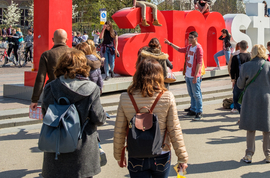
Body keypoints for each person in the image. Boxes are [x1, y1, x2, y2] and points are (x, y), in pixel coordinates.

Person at [113, 58, 188, 177]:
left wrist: (119, 155)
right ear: (159, 75)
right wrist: (182, 157)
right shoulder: (167, 97)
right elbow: (174, 129)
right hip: (161, 152)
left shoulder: (126, 97)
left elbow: (119, 130)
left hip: (136, 153)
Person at [41, 49, 106, 178]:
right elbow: (98, 118)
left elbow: (46, 113)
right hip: (83, 150)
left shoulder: (50, 87)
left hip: (57, 147)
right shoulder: (91, 88)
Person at [237, 44, 270, 164]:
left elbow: (240, 85)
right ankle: (268, 154)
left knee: (250, 128)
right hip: (266, 99)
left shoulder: (246, 66)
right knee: (267, 128)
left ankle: (249, 155)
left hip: (250, 99)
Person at [165, 31, 204, 121]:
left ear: (195, 38)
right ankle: (193, 110)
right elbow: (180, 49)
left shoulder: (198, 48)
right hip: (187, 75)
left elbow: (199, 63)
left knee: (196, 94)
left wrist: (195, 76)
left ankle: (199, 111)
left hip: (194, 75)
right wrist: (170, 43)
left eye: (190, 37)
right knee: (191, 94)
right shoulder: (189, 47)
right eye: (188, 37)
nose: (189, 39)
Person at [30, 29, 71, 110]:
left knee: (51, 118)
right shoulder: (74, 53)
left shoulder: (47, 55)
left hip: (52, 91)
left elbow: (40, 78)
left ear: (53, 40)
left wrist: (35, 99)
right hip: (71, 91)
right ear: (67, 40)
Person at [230, 40, 251, 115]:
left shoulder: (235, 57)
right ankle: (247, 113)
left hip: (239, 80)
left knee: (236, 99)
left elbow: (232, 70)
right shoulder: (251, 57)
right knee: (248, 98)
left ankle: (242, 112)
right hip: (250, 81)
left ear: (239, 47)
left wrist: (233, 79)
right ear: (247, 47)